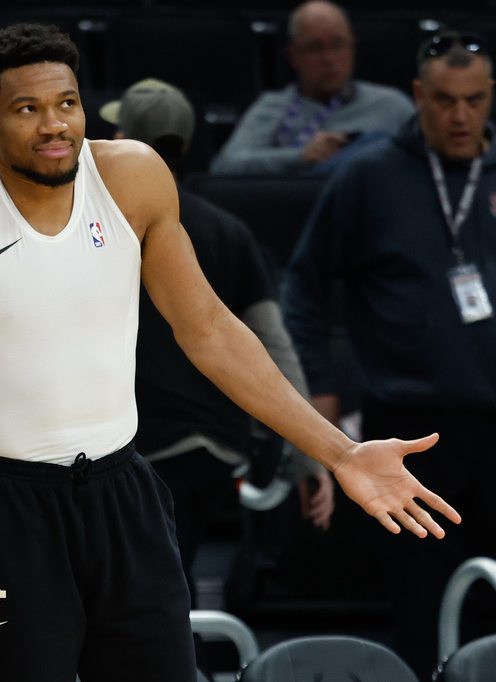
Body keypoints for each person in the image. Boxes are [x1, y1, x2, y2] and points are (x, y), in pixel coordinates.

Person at [0, 23, 460, 682]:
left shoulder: (132, 178)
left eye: (66, 103)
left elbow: (211, 332)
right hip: (8, 507)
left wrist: (339, 451)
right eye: (28, 108)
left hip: (125, 494)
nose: (54, 125)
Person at [282, 30, 496, 679]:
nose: (460, 116)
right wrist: (320, 397)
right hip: (407, 428)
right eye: (444, 100)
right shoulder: (370, 175)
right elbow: (305, 289)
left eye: (475, 100)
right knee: (420, 612)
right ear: (416, 96)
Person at [99, 78, 335, 603]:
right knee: (162, 590)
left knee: (137, 601)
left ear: (121, 139)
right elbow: (277, 348)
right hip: (210, 451)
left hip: (127, 448)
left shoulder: (89, 226)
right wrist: (309, 459)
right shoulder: (228, 230)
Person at [210, 0, 416, 176]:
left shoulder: (392, 105)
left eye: (338, 45)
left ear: (353, 47)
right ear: (293, 57)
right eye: (315, 48)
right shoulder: (273, 105)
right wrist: (300, 156)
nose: (329, 59)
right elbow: (225, 166)